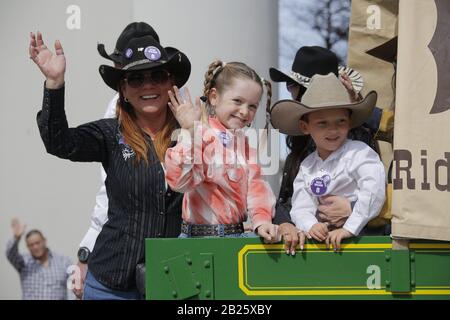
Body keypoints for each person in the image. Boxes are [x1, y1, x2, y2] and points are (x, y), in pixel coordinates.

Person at [29, 31, 191, 299]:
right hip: (111, 285)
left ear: (171, 83)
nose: (148, 85)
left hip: (176, 282)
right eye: (136, 79)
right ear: (124, 91)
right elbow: (59, 142)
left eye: (157, 76)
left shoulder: (194, 133)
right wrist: (54, 83)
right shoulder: (110, 134)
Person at [75, 22, 163, 300]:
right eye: (133, 74)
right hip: (124, 264)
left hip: (171, 260)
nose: (145, 82)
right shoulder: (118, 112)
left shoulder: (182, 111)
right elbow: (111, 189)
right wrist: (87, 249)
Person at [269, 46, 383, 255]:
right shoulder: (306, 158)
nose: (333, 129)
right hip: (318, 243)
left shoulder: (358, 147)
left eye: (292, 84)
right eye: (322, 123)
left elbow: (375, 189)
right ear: (306, 125)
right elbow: (297, 201)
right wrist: (304, 224)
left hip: (359, 243)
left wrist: (351, 212)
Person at [165, 60, 277, 240]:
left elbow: (257, 187)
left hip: (236, 238)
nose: (244, 111)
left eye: (252, 106)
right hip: (196, 241)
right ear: (214, 97)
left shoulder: (245, 145)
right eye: (237, 101)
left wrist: (262, 220)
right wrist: (188, 132)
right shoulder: (197, 134)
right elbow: (179, 182)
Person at [6, 218, 72, 300]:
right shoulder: (24, 262)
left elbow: (73, 288)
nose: (35, 247)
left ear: (44, 241)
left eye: (37, 243)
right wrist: (16, 238)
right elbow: (10, 254)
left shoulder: (63, 262)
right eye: (31, 245)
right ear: (27, 247)